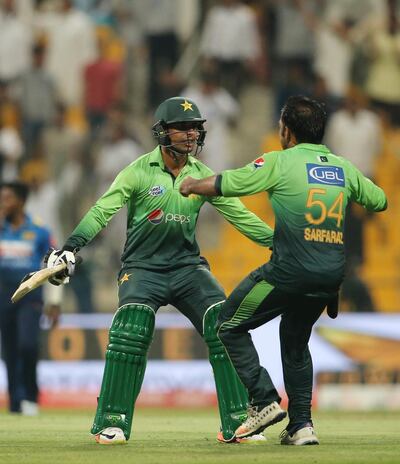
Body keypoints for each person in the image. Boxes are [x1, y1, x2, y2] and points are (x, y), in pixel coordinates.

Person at [44, 97, 274, 444]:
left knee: (223, 323)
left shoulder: (202, 176)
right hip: (142, 269)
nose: (190, 134)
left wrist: (282, 244)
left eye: (195, 127)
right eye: (182, 127)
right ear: (163, 132)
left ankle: (240, 421)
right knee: (131, 328)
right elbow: (102, 210)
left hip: (187, 268)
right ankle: (113, 420)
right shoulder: (138, 170)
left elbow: (242, 217)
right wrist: (71, 246)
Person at [179, 95, 387, 445]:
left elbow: (234, 182)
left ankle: (263, 401)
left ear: (286, 130)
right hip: (331, 276)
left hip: (289, 272)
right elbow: (379, 200)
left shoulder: (280, 161)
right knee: (294, 340)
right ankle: (301, 425)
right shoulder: (342, 167)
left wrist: (192, 184)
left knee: (226, 324)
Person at [0, 181, 61, 415]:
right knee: (9, 349)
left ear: (21, 201)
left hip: (30, 294)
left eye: (7, 198)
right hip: (3, 294)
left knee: (27, 344)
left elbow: (54, 266)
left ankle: (30, 395)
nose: (3, 203)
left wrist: (54, 301)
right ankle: (16, 402)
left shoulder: (39, 231)